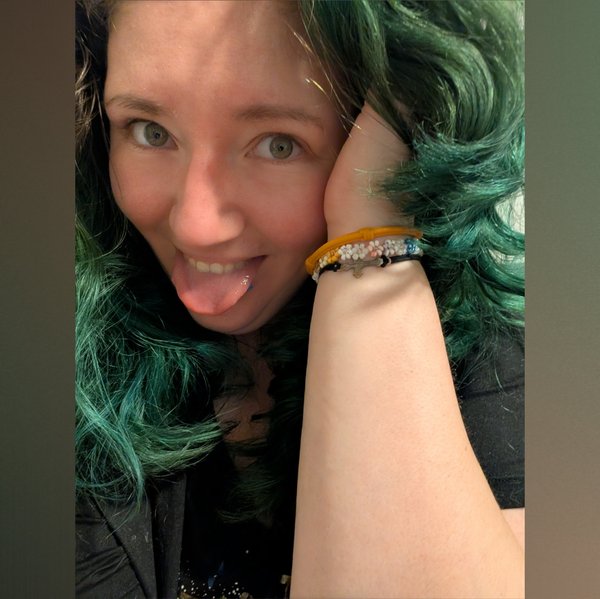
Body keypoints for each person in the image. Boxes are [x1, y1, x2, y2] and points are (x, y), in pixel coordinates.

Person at [75, 1, 525, 597]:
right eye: (150, 132)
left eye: (279, 145)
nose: (196, 226)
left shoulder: (498, 364)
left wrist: (369, 230)